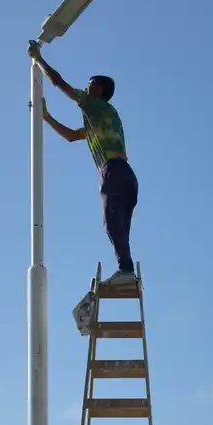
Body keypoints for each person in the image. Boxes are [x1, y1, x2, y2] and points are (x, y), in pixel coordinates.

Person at [28, 40, 138, 287]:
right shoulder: (100, 120)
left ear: (99, 90)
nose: (86, 89)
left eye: (90, 85)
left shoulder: (96, 106)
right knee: (119, 229)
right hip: (127, 176)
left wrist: (39, 59)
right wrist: (45, 117)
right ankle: (127, 271)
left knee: (111, 222)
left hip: (114, 171)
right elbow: (70, 136)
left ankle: (126, 271)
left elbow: (59, 83)